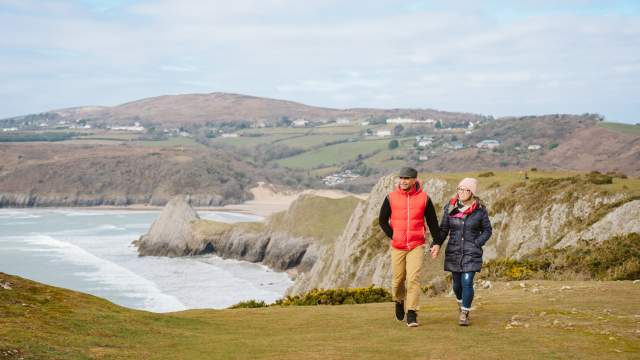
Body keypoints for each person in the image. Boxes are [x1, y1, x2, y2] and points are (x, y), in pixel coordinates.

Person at [379, 167, 441, 327]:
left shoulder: (424, 199)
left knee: (414, 279)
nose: (403, 181)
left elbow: (433, 223)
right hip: (398, 246)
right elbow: (382, 220)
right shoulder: (391, 197)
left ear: (414, 180)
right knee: (398, 280)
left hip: (416, 245)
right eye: (401, 178)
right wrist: (393, 235)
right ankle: (399, 300)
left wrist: (437, 242)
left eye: (407, 178)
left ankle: (412, 313)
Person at [430, 177, 492, 326]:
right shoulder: (450, 207)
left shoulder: (480, 210)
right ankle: (461, 304)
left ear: (472, 192)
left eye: (466, 190)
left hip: (472, 252)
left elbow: (487, 230)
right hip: (454, 252)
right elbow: (444, 229)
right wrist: (436, 243)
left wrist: (477, 243)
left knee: (467, 282)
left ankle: (464, 313)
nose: (462, 192)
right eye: (460, 189)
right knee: (457, 285)